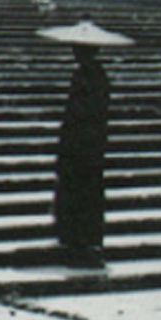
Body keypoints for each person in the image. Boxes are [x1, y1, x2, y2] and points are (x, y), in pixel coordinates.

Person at [53, 43, 110, 266]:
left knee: (80, 194)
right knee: (86, 194)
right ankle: (84, 240)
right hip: (89, 145)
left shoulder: (87, 77)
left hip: (81, 146)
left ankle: (80, 241)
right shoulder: (97, 75)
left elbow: (77, 114)